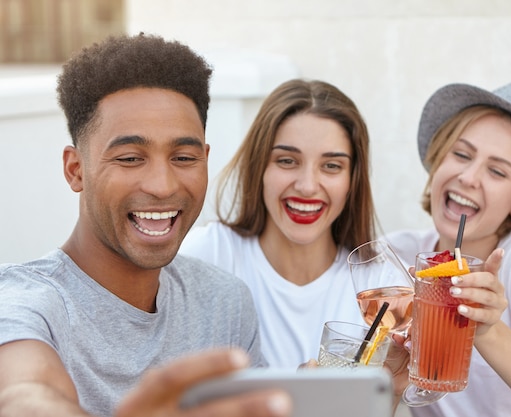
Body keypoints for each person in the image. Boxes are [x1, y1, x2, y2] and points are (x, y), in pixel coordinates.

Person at [0, 34, 292, 417]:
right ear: (76, 170)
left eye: (184, 157)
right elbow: (23, 393)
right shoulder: (26, 303)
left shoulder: (224, 302)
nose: (162, 185)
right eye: (130, 158)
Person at [386, 81, 511, 417]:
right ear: (438, 159)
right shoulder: (399, 254)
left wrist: (488, 328)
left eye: (497, 171)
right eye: (461, 154)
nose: (469, 177)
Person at [179, 78, 377, 368]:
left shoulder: (377, 284)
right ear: (259, 167)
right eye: (287, 161)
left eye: (332, 166)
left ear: (353, 180)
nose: (308, 186)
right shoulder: (208, 254)